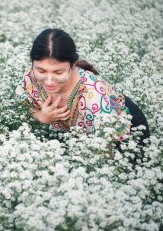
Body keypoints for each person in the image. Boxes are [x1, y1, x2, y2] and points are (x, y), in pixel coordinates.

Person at [15, 28, 150, 163]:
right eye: (41, 70)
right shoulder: (31, 79)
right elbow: (23, 106)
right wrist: (41, 116)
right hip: (81, 138)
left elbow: (106, 150)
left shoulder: (93, 97)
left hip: (125, 136)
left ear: (73, 64)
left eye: (58, 72)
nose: (49, 81)